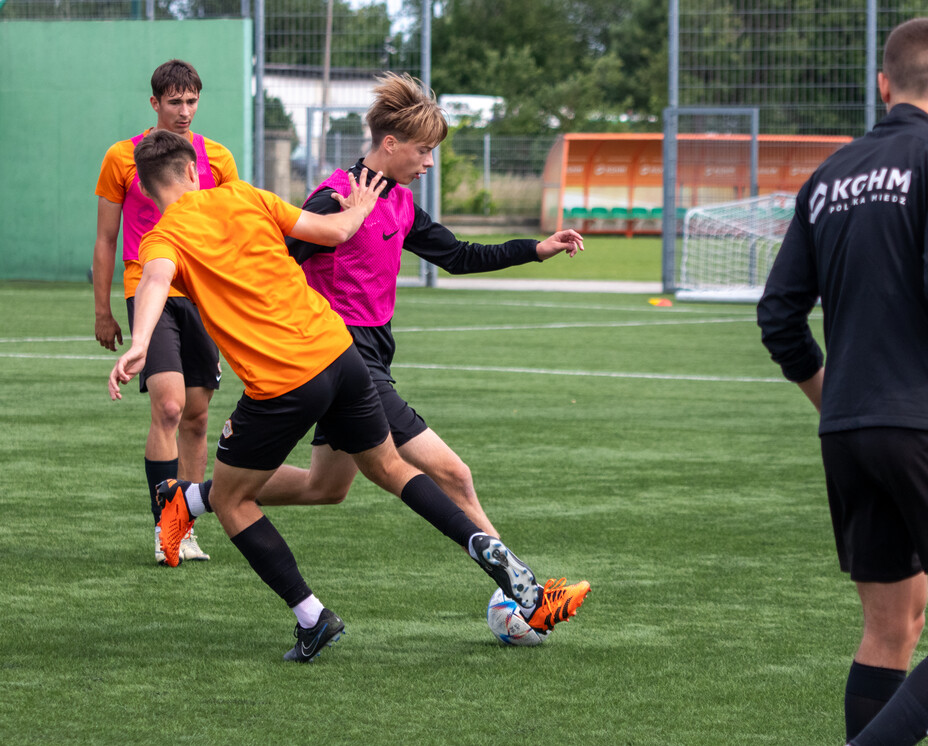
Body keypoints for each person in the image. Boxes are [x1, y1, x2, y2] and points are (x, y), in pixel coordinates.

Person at [108, 130, 588, 663]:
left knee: (231, 499)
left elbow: (152, 283)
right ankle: (503, 567)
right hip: (342, 355)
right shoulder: (245, 194)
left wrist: (143, 341)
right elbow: (332, 232)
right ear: (196, 172)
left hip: (285, 379)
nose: (427, 162)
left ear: (147, 192)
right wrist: (359, 208)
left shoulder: (161, 238)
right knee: (388, 471)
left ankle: (310, 617)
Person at [757, 18, 928, 745]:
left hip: (847, 431)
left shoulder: (829, 173)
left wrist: (839, 402)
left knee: (895, 625)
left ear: (884, 85)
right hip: (921, 422)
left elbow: (779, 317)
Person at [265, 72, 583, 541]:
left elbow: (457, 256)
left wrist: (535, 248)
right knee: (454, 474)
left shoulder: (400, 203)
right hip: (340, 354)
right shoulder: (335, 199)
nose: (430, 162)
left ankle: (191, 497)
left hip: (374, 349)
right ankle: (523, 589)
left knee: (325, 486)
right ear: (391, 144)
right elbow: (277, 262)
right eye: (423, 150)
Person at [93, 59, 239, 564]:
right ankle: (165, 529)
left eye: (192, 101)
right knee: (170, 407)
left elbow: (226, 234)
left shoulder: (217, 158)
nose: (184, 111)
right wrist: (103, 310)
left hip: (202, 297)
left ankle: (185, 527)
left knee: (197, 418)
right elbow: (106, 238)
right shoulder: (122, 157)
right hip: (146, 290)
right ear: (154, 103)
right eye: (174, 101)